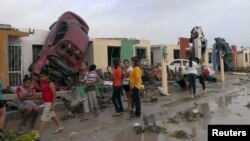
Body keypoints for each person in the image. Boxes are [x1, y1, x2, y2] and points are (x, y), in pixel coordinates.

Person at [36, 70, 64, 140]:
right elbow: (44, 93)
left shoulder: (50, 84)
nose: (41, 78)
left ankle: (38, 135)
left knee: (43, 118)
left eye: (43, 77)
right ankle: (60, 126)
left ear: (47, 76)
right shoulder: (42, 83)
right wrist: (43, 101)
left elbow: (54, 94)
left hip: (50, 103)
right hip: (45, 103)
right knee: (52, 115)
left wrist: (52, 105)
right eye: (40, 77)